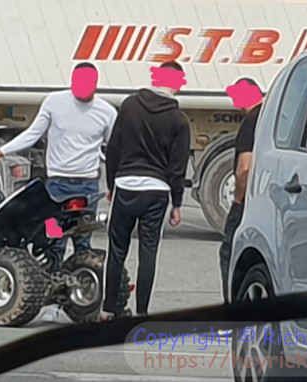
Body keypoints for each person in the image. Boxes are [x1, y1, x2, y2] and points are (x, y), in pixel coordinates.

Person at [0, 62, 117, 321]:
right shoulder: (55, 102)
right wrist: (1, 151)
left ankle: (84, 304)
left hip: (88, 188)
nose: (82, 91)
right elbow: (33, 133)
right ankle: (50, 303)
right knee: (53, 239)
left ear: (96, 84)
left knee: (83, 242)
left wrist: (113, 184)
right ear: (71, 82)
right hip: (56, 186)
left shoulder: (107, 112)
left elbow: (113, 149)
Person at [101, 60, 191, 320]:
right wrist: (177, 203)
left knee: (117, 249)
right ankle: (141, 311)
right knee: (148, 250)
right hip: (156, 190)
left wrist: (110, 185)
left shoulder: (130, 106)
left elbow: (114, 147)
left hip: (125, 184)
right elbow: (178, 166)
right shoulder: (179, 120)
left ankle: (108, 309)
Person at [219, 79, 263, 304]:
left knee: (229, 251)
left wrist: (238, 198)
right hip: (265, 198)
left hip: (248, 200)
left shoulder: (251, 121)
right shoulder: (271, 116)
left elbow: (244, 167)